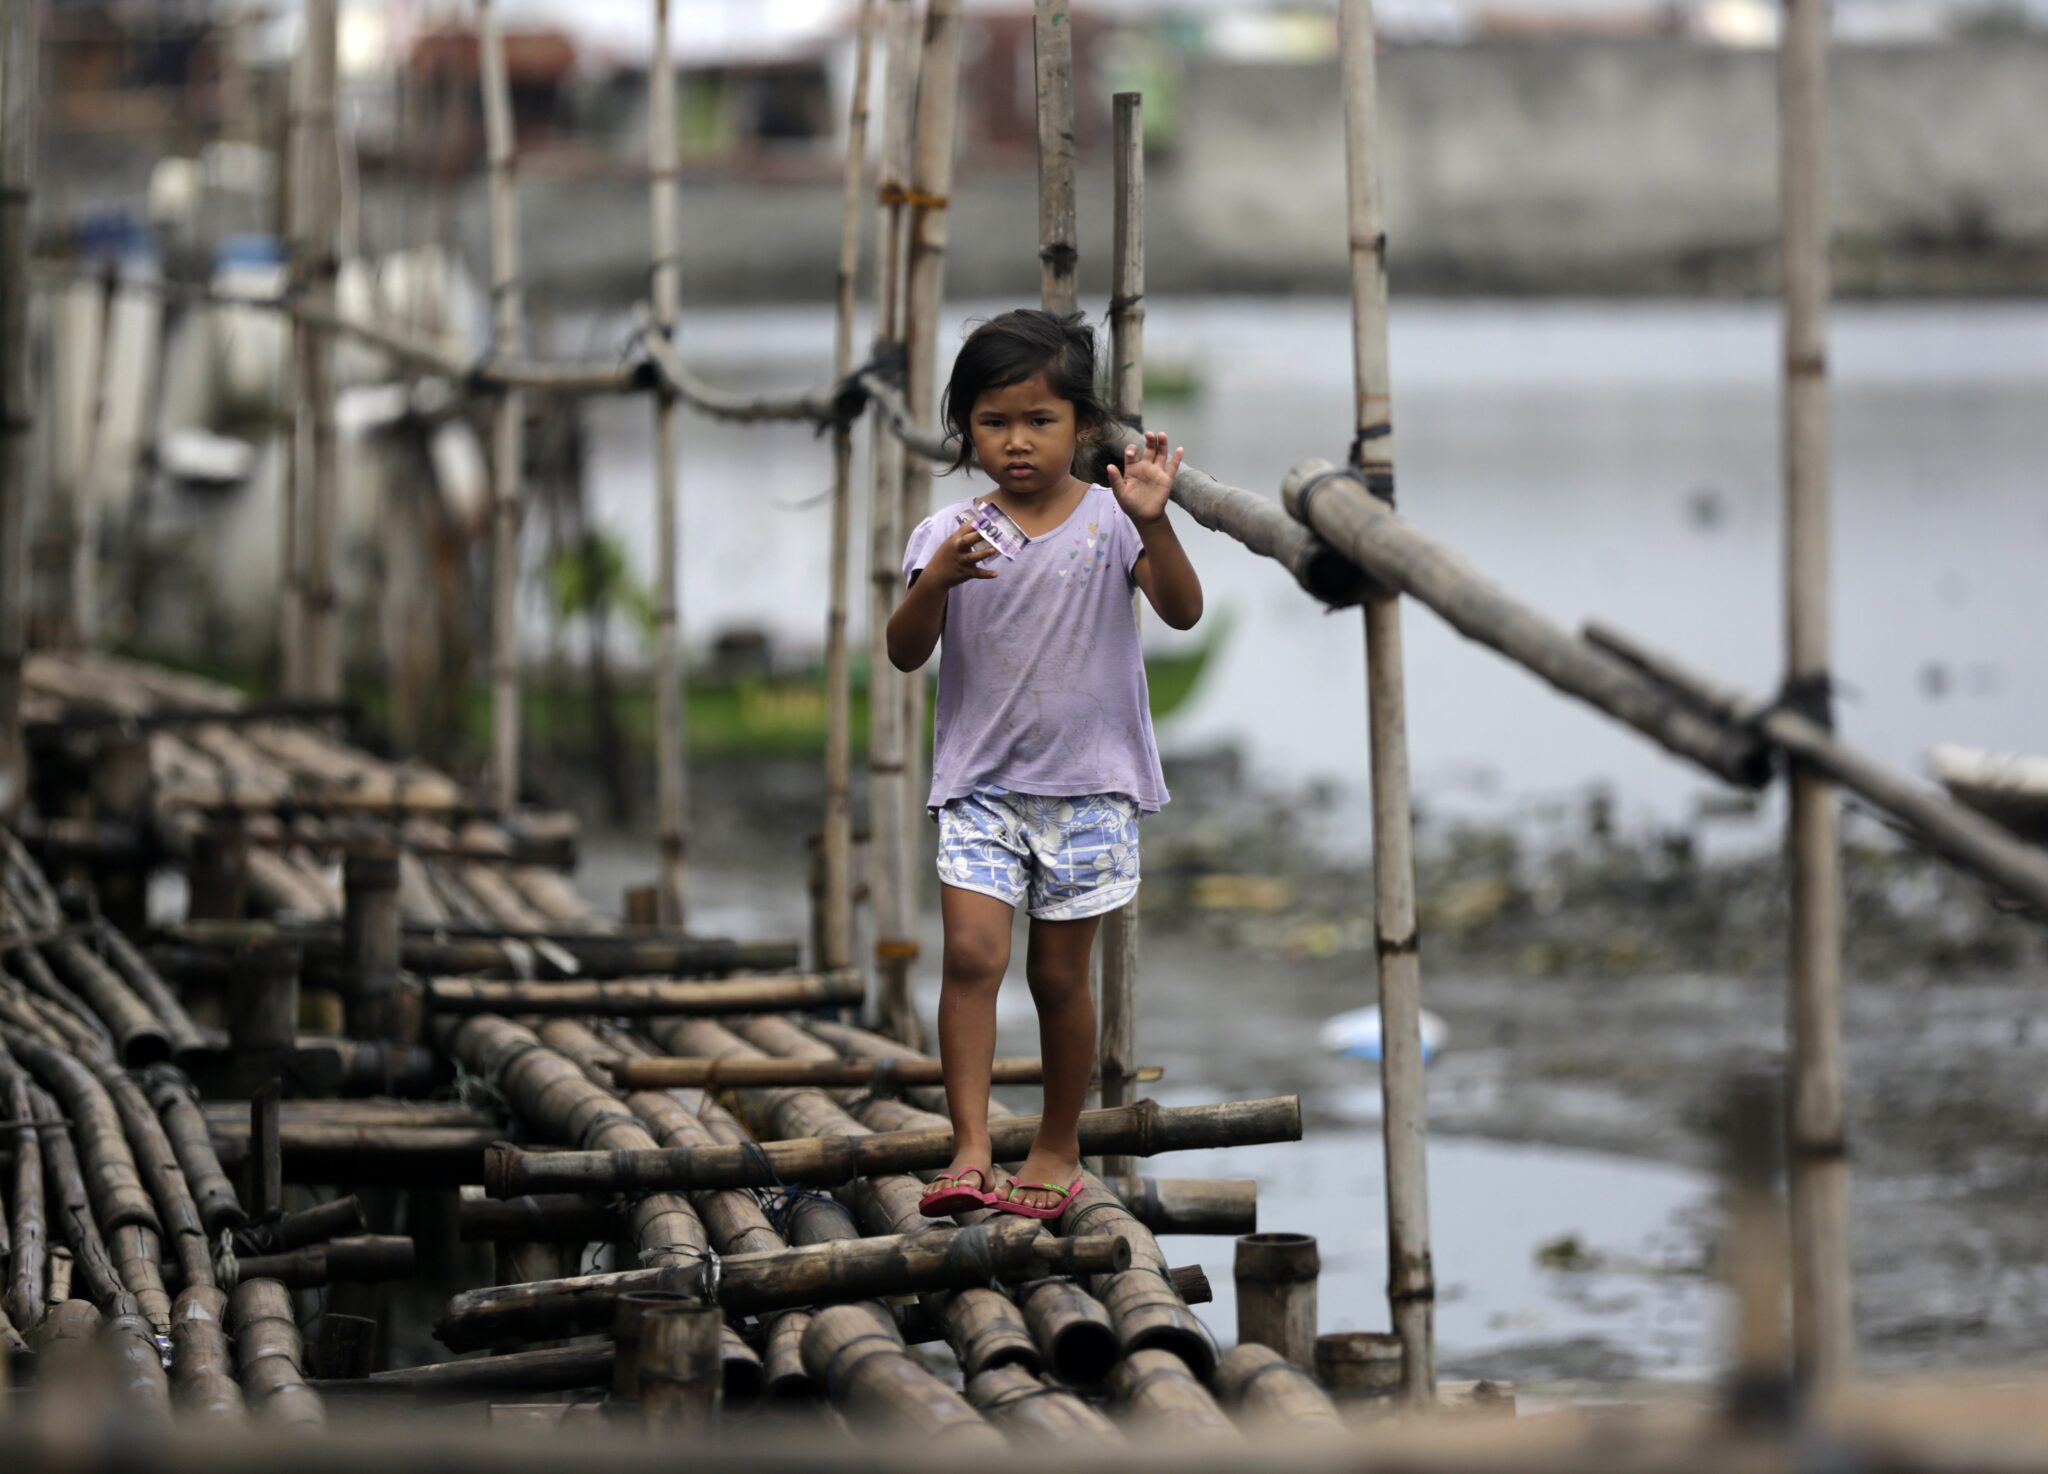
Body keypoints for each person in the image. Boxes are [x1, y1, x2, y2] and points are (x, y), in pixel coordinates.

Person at [886, 309, 1203, 1220]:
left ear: (1084, 426)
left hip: (1089, 787)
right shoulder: (948, 532)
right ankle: (971, 1146)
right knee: (970, 958)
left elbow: (1182, 611)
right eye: (993, 422)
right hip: (981, 786)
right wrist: (936, 582)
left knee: (1060, 979)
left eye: (1039, 421)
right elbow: (905, 653)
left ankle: (1058, 1144)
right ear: (965, 429)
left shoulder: (1112, 518)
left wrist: (1158, 523)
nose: (1017, 442)